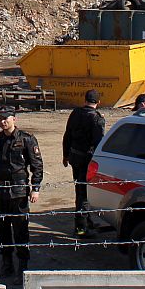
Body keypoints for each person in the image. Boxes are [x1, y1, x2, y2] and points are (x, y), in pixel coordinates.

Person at [0, 107, 43, 281]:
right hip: (0, 191)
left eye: (6, 118)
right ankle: (7, 264)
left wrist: (35, 188)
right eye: (0, 118)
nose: (3, 121)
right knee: (2, 230)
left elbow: (36, 165)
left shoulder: (26, 139)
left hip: (19, 191)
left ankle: (22, 267)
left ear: (14, 119)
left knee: (21, 230)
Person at [62, 89, 105, 237]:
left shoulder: (75, 113)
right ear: (98, 102)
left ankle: (86, 221)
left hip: (75, 158)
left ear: (85, 99)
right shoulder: (96, 119)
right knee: (84, 195)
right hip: (87, 161)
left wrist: (65, 155)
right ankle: (81, 229)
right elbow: (98, 143)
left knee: (80, 192)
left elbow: (67, 135)